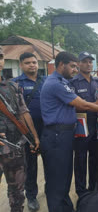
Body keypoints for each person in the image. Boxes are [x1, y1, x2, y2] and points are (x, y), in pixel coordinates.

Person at [40, 51, 98, 212]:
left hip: (68, 133)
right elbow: (82, 105)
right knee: (58, 177)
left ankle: (67, 206)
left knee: (64, 176)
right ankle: (61, 206)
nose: (75, 70)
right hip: (57, 135)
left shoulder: (64, 81)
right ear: (61, 64)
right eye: (73, 66)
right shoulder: (57, 83)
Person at [0, 46, 40, 212]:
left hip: (14, 148)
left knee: (17, 192)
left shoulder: (12, 87)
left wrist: (34, 137)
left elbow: (24, 113)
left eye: (0, 56)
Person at [11, 52, 45, 211]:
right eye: (27, 63)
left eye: (34, 62)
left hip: (47, 129)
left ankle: (51, 189)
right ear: (21, 65)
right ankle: (31, 196)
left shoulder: (46, 80)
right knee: (30, 165)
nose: (32, 65)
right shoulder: (15, 84)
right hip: (26, 132)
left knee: (51, 162)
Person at [69, 51, 98, 196]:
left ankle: (93, 188)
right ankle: (81, 192)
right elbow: (73, 105)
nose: (88, 64)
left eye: (90, 61)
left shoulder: (97, 82)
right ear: (79, 64)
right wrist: (96, 104)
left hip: (97, 124)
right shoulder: (73, 83)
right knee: (80, 159)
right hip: (81, 125)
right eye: (85, 61)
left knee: (95, 157)